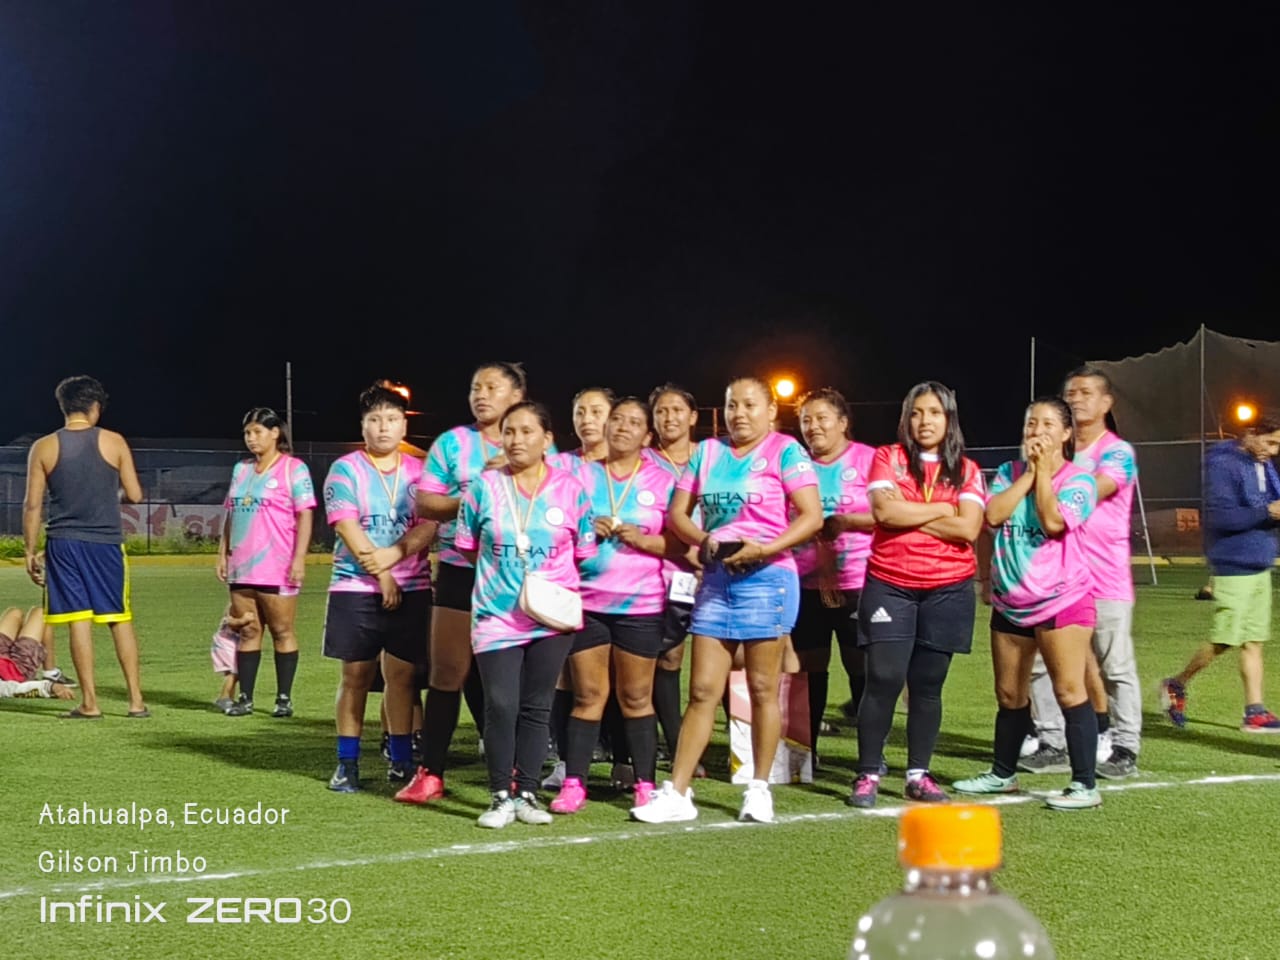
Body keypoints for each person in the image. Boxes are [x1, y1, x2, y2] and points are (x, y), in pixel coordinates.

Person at [633, 375, 822, 824]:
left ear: (771, 411)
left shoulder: (785, 451)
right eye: (733, 405)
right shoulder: (707, 452)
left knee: (761, 688)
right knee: (701, 690)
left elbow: (812, 516)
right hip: (717, 581)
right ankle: (678, 793)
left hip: (768, 579)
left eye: (750, 405)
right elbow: (678, 514)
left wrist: (766, 549)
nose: (739, 413)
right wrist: (706, 540)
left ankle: (759, 789)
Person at [953, 398, 1103, 810]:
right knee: (1008, 694)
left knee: (1069, 690)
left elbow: (1053, 521)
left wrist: (1044, 475)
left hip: (1062, 600)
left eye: (1048, 424)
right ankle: (1003, 774)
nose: (1037, 431)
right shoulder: (1008, 473)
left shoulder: (1080, 481)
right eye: (1031, 423)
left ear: (1067, 434)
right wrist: (1031, 473)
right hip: (1010, 602)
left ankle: (1085, 784)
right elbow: (993, 516)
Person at [455, 401, 596, 828]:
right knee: (501, 704)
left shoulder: (571, 489)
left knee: (537, 706)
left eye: (526, 431)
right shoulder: (483, 487)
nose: (516, 440)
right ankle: (500, 795)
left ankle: (527, 794)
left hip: (551, 617)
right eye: (509, 432)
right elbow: (468, 547)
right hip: (496, 615)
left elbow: (583, 551)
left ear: (547, 439)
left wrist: (543, 580)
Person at [846, 381, 984, 809]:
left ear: (949, 419)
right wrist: (943, 510)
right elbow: (883, 512)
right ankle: (868, 772)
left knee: (927, 686)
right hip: (891, 583)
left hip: (949, 588)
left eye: (935, 413)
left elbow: (969, 528)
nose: (925, 421)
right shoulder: (887, 457)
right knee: (884, 679)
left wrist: (909, 514)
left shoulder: (968, 470)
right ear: (906, 418)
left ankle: (917, 775)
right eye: (917, 412)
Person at [549, 397, 678, 814]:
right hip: (587, 603)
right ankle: (574, 782)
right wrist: (587, 528)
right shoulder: (580, 475)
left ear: (648, 436)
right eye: (617, 419)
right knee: (588, 695)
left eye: (634, 422)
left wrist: (644, 540)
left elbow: (680, 545)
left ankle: (644, 783)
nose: (622, 427)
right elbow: (555, 529)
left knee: (636, 696)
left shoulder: (663, 481)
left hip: (641, 605)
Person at [1020, 368, 1143, 779]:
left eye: (1086, 392)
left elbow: (1090, 489)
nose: (1076, 398)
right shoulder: (1058, 451)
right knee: (1042, 663)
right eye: (1070, 393)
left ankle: (1125, 746)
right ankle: (1052, 740)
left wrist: (1043, 471)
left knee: (1115, 666)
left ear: (1107, 403)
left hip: (1104, 576)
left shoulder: (1117, 453)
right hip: (1056, 576)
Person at [415, 362, 529, 801]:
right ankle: (431, 772)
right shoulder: (452, 443)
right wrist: (477, 494)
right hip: (460, 569)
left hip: (515, 576)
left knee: (510, 682)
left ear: (516, 395)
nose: (480, 394)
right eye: (475, 387)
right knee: (446, 671)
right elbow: (426, 502)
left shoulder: (537, 442)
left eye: (492, 387)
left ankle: (516, 772)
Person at [321, 383, 437, 794]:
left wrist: (395, 559)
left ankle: (401, 761)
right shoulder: (346, 469)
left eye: (391, 419)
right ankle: (347, 763)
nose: (383, 427)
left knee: (402, 677)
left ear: (404, 425)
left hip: (413, 587)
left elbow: (428, 527)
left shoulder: (421, 473)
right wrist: (383, 573)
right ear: (363, 426)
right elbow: (347, 527)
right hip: (355, 588)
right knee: (355, 676)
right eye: (375, 419)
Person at [22, 375, 148, 719]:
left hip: (63, 544)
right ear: (95, 408)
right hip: (106, 543)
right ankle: (136, 701)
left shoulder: (44, 447)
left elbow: (32, 505)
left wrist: (30, 550)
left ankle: (90, 703)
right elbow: (135, 494)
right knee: (119, 619)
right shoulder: (114, 441)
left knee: (78, 621)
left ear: (63, 406)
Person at [1161, 412, 1280, 733]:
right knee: (1225, 639)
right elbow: (1221, 519)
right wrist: (1268, 512)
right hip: (1233, 563)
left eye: (1278, 445)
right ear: (1251, 433)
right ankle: (1176, 683)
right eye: (1270, 442)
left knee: (1254, 640)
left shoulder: (1262, 462)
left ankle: (1254, 712)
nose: (1273, 451)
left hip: (1260, 561)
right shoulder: (1222, 463)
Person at [792, 387, 876, 762]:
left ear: (843, 422)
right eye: (805, 420)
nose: (813, 426)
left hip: (857, 582)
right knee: (808, 665)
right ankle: (804, 752)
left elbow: (888, 515)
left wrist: (846, 522)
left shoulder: (870, 460)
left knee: (860, 663)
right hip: (805, 583)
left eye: (821, 418)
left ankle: (870, 755)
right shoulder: (795, 464)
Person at [216, 407, 316, 717]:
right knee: (248, 630)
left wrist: (299, 558)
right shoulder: (241, 469)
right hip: (241, 566)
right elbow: (230, 513)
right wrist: (222, 552)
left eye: (257, 431)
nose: (251, 438)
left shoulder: (293, 469)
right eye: (247, 433)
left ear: (275, 433)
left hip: (277, 565)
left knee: (282, 631)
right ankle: (245, 699)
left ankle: (283, 699)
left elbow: (305, 515)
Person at [643, 383, 703, 766]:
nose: (669, 417)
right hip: (669, 570)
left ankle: (741, 750)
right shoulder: (645, 460)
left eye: (677, 410)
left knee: (733, 658)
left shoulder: (711, 456)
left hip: (717, 568)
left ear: (693, 416)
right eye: (661, 411)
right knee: (668, 659)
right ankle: (677, 746)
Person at [0, 606, 74, 700]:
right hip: (16, 670)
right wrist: (49, 687)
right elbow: (13, 689)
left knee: (15, 613)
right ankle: (51, 674)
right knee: (42, 613)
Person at [210, 606, 256, 711]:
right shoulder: (234, 606)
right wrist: (243, 620)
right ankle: (224, 698)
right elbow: (230, 621)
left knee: (235, 673)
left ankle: (229, 698)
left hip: (232, 643)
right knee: (234, 673)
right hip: (225, 643)